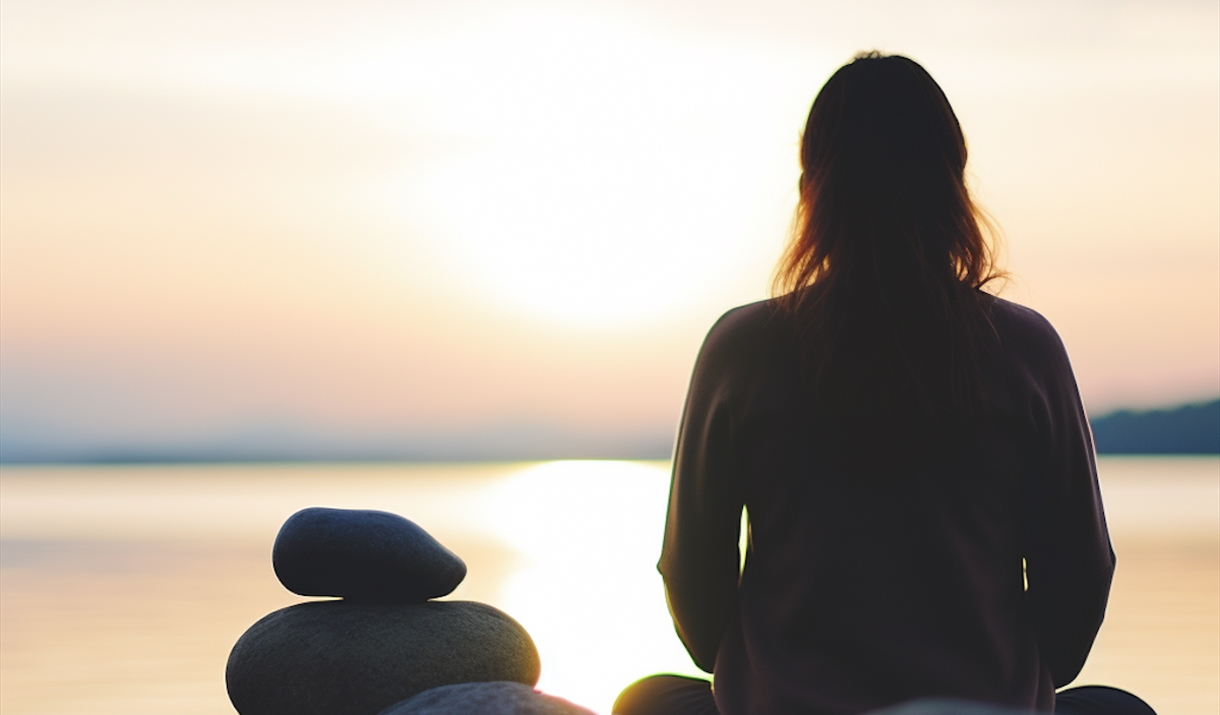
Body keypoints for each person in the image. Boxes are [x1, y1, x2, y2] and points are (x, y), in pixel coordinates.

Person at [614, 53, 1155, 715]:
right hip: (984, 708)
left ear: (812, 191)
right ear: (952, 187)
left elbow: (695, 592)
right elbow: (1078, 588)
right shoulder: (1024, 348)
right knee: (1116, 708)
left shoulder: (743, 349)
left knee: (645, 699)